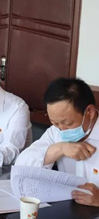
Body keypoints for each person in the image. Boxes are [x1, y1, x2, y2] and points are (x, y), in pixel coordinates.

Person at [16, 78, 99, 206]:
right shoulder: (56, 132)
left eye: (68, 123)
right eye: (55, 123)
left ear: (89, 112)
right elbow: (21, 167)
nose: (62, 130)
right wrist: (60, 149)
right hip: (69, 210)